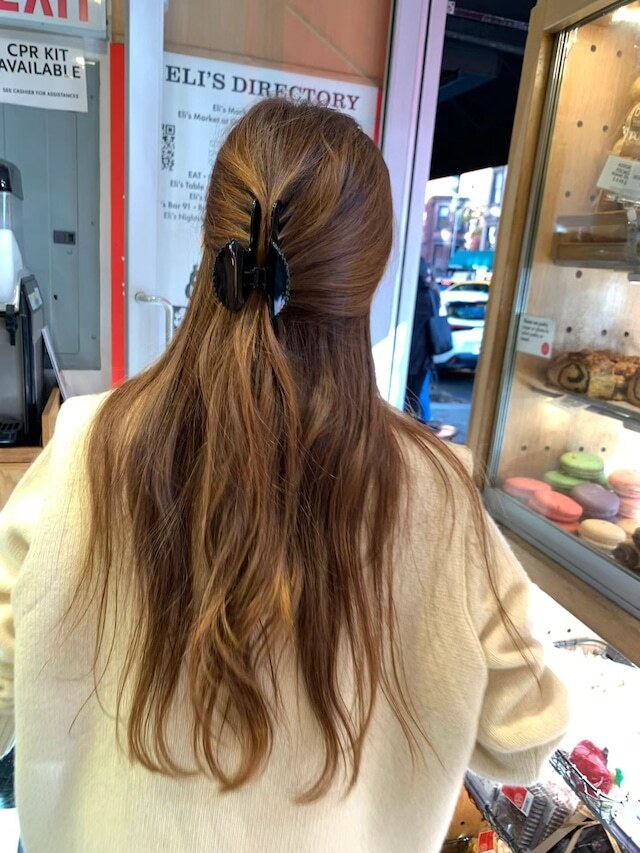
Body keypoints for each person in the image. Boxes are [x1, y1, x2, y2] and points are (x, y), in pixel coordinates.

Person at [0, 99, 567, 852]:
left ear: (212, 246)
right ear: (369, 277)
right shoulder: (434, 495)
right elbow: (526, 737)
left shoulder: (84, 447)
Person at [405, 261, 456, 440]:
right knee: (417, 396)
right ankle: (418, 432)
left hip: (410, 356)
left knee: (410, 400)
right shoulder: (432, 293)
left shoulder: (412, 295)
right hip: (424, 356)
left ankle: (412, 434)